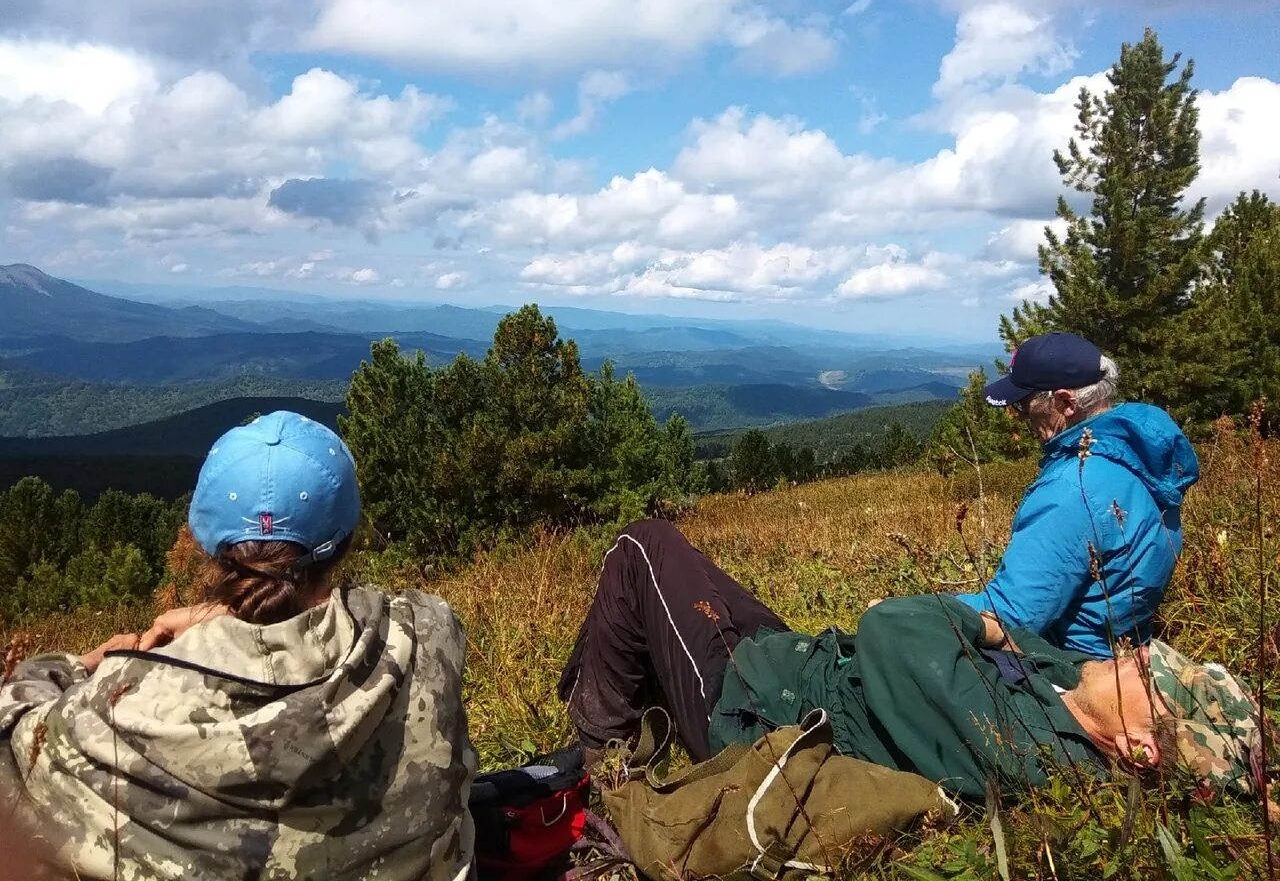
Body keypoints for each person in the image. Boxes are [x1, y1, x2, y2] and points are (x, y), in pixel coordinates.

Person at [0, 411, 475, 881]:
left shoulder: (115, 710)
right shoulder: (427, 633)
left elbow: (13, 730)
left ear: (207, 544)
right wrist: (229, 618)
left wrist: (77, 665)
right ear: (347, 537)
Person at [560, 520, 1263, 803]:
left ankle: (595, 758)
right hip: (800, 662)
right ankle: (613, 676)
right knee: (687, 572)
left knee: (642, 548)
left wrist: (984, 628)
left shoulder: (1025, 748)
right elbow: (1012, 640)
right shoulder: (1071, 694)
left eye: (1154, 677)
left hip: (742, 704)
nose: (1139, 653)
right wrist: (997, 637)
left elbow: (893, 626)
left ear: (1139, 749)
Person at [953, 332, 1199, 657]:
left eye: (1024, 406)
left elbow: (1011, 617)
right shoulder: (1141, 459)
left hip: (1073, 665)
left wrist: (916, 610)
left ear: (1065, 403)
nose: (1020, 417)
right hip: (1126, 649)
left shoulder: (1073, 488)